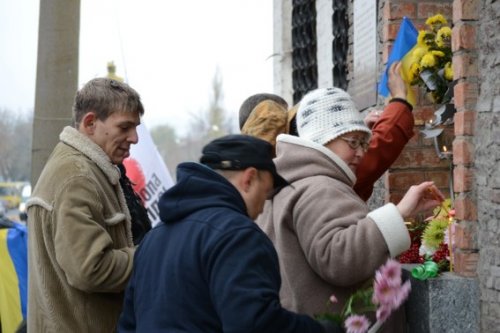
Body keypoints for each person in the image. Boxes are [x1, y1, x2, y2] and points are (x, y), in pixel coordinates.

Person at [256, 87, 444, 332]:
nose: (361, 152)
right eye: (352, 142)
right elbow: (339, 257)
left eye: (363, 142)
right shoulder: (319, 187)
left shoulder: (293, 182)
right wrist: (398, 214)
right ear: (320, 139)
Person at [118, 134, 343, 333]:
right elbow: (255, 324)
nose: (263, 208)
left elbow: (129, 324)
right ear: (249, 178)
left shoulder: (153, 239)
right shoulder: (238, 235)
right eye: (265, 194)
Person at [26, 78, 144, 332]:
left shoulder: (86, 169)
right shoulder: (77, 177)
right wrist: (153, 254)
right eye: (124, 127)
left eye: (135, 128)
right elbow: (91, 269)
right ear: (90, 123)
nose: (134, 138)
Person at [239, 62, 415, 201]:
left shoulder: (265, 177)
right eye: (353, 142)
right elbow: (378, 150)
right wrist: (399, 99)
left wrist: (356, 133)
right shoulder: (316, 177)